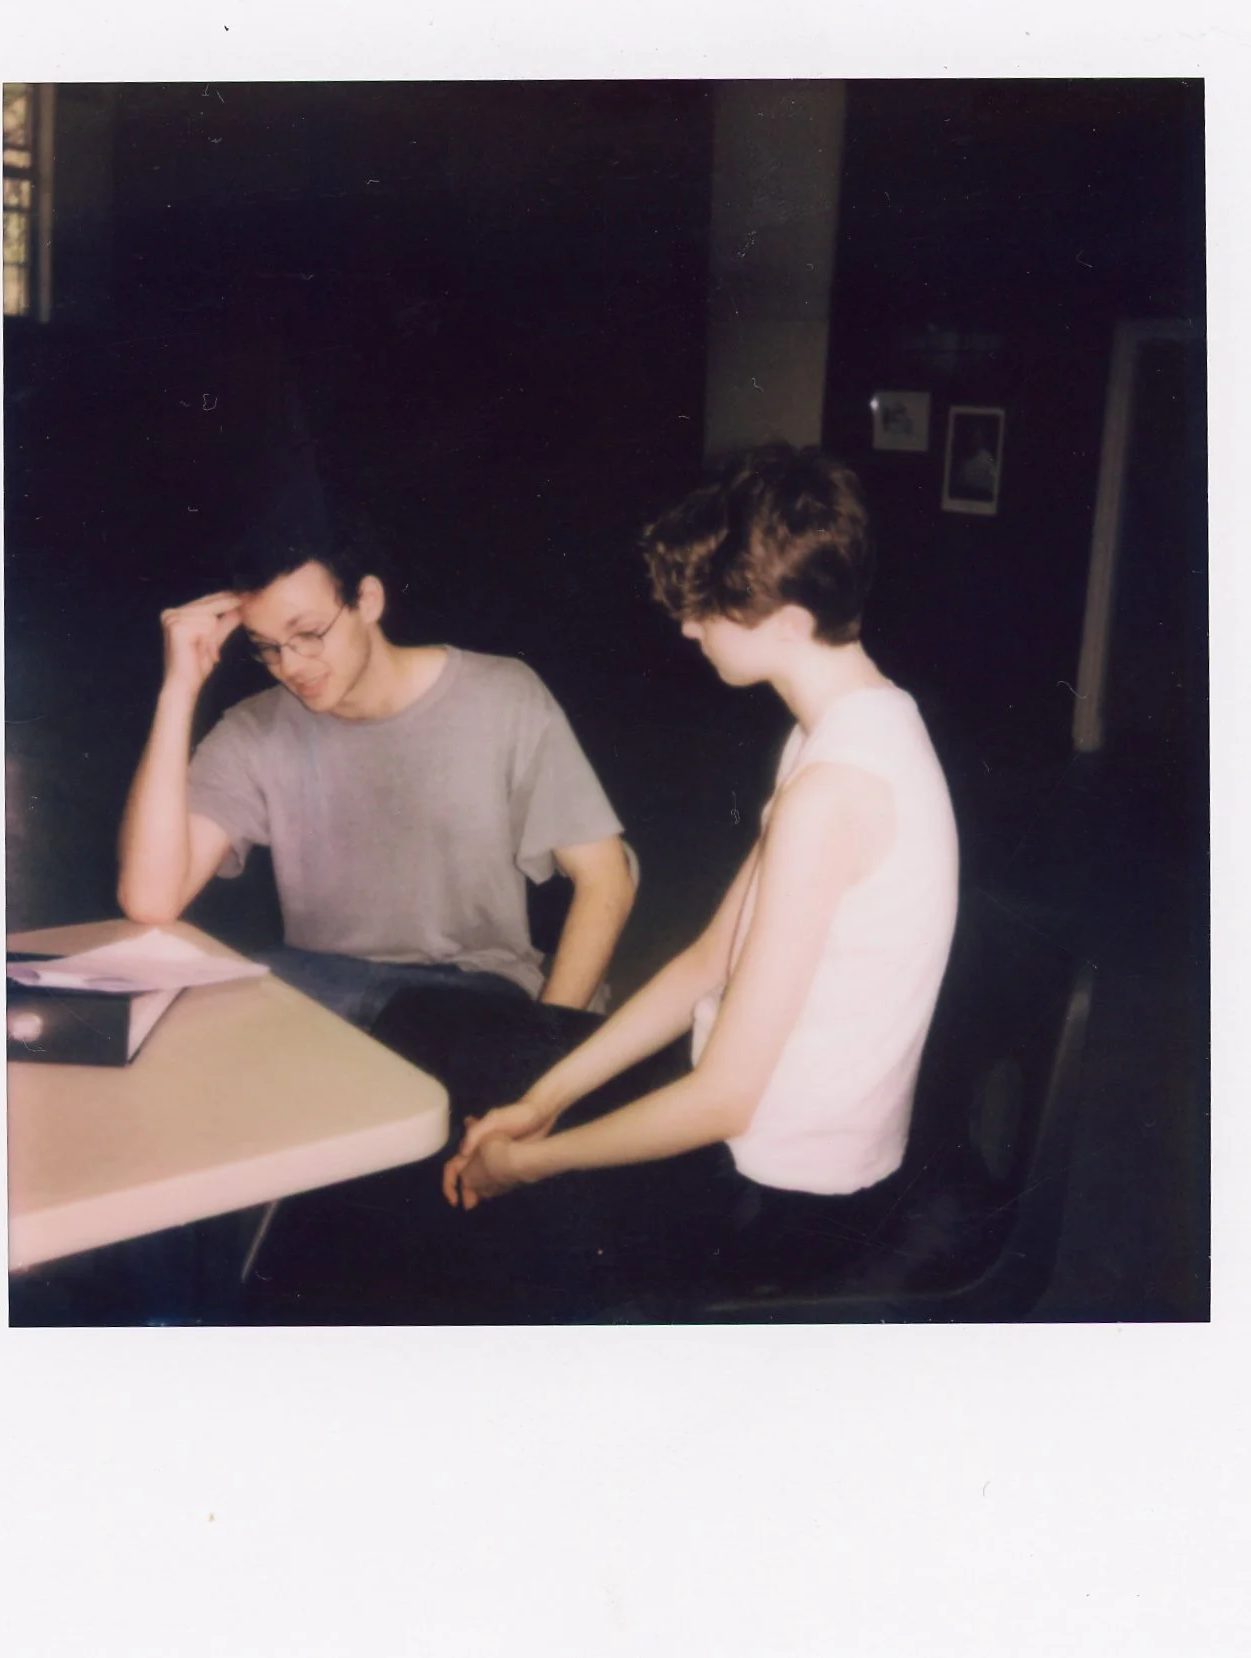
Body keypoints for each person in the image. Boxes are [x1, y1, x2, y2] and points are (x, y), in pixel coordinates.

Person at [440, 444, 960, 1318]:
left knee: (507, 1256)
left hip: (792, 1198)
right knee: (506, 1078)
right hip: (767, 1141)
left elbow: (722, 1100)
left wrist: (524, 1162)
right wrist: (540, 1105)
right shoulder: (852, 725)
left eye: (708, 609)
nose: (687, 628)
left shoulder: (833, 790)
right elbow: (702, 964)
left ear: (789, 622)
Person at [117, 531, 637, 1029]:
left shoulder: (501, 696)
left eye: (308, 633)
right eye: (268, 647)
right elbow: (151, 900)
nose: (291, 665)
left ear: (368, 600)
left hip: (469, 988)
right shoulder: (255, 729)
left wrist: (543, 1047)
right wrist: (178, 691)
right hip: (312, 983)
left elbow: (605, 879)